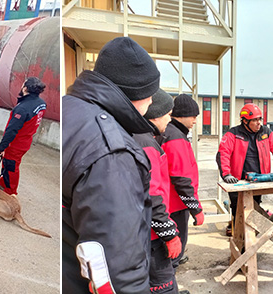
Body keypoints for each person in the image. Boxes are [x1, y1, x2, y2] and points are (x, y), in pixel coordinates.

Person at [62, 36, 159, 293]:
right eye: (150, 95)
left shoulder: (70, 109)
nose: (152, 103)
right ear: (135, 94)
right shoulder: (112, 153)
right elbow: (119, 268)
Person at [135, 89, 183, 294]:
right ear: (154, 115)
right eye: (168, 114)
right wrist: (169, 235)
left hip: (142, 232)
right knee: (164, 286)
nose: (170, 120)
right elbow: (151, 195)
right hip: (153, 237)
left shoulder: (140, 137)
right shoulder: (147, 144)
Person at [216, 103, 273, 236]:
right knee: (237, 208)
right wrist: (226, 174)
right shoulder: (233, 134)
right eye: (254, 120)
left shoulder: (266, 132)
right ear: (245, 121)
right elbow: (223, 153)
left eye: (259, 119)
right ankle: (239, 236)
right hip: (237, 181)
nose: (258, 123)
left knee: (254, 207)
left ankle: (250, 235)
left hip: (258, 180)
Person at [162, 93, 204, 268]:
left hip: (169, 203)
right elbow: (181, 178)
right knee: (174, 246)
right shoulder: (176, 138)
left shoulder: (171, 132)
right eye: (194, 116)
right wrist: (195, 207)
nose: (195, 121)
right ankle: (170, 278)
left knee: (168, 248)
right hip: (175, 205)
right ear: (184, 115)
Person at [0, 77, 46, 196]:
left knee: (11, 166)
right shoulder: (41, 103)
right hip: (26, 140)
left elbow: (11, 130)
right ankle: (3, 182)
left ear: (25, 88)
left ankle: (11, 191)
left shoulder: (22, 109)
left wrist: (2, 147)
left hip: (16, 143)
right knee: (7, 163)